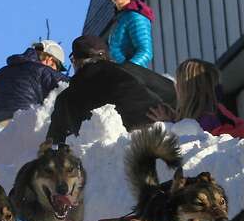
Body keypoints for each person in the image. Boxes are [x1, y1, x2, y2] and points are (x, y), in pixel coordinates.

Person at [45, 34, 176, 143]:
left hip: (106, 160)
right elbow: (174, 93)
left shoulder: (67, 97)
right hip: (160, 137)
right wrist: (172, 118)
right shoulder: (131, 70)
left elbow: (53, 145)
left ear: (75, 61)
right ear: (106, 55)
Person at [149, 59, 244, 138]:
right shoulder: (216, 111)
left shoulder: (207, 118)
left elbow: (189, 147)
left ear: (184, 88)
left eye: (177, 82)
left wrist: (168, 126)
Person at [0, 40, 69, 126]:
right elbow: (72, 85)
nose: (56, 71)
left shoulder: (0, 72)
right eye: (57, 68)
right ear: (50, 61)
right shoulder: (42, 70)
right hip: (20, 127)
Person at [106, 0, 154, 68]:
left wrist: (127, 70)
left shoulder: (135, 16)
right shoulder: (119, 19)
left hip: (132, 78)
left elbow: (145, 51)